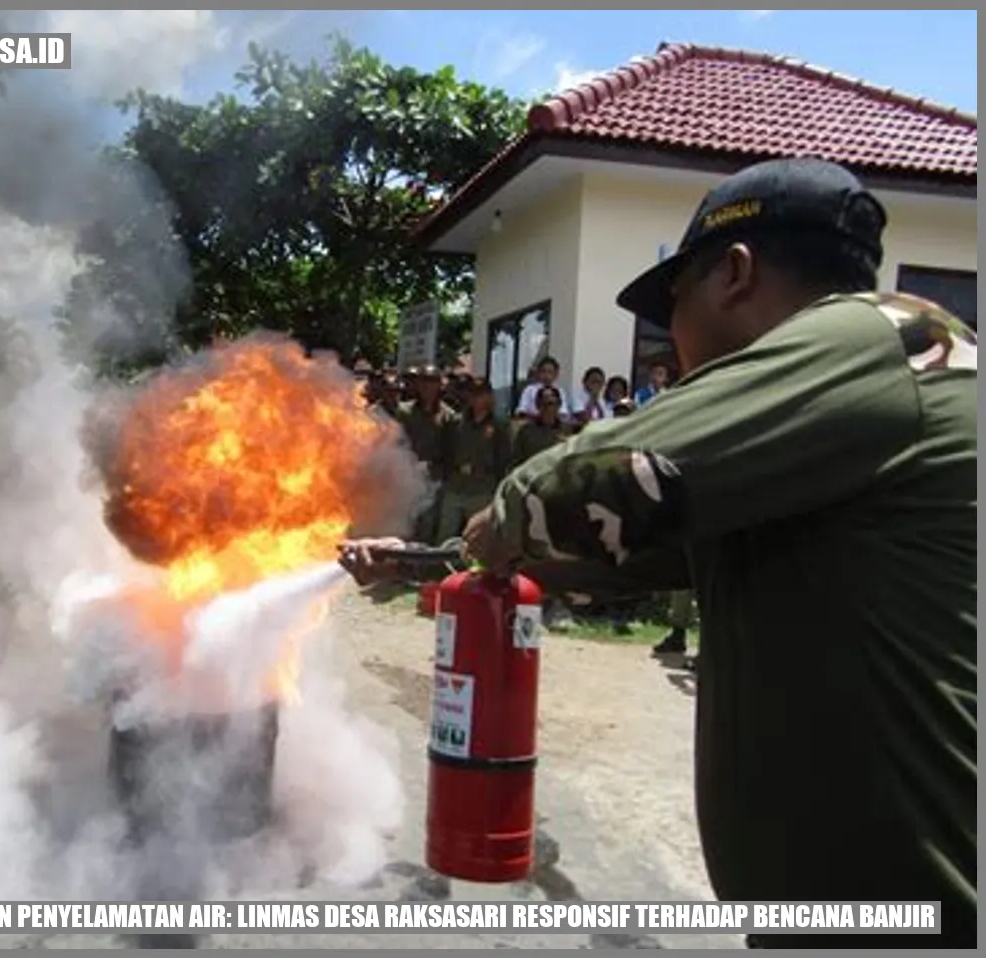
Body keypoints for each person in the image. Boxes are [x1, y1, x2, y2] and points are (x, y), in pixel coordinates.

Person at [342, 158, 977, 948]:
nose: (668, 343)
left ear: (735, 274)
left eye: (671, 307)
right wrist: (418, 561)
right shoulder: (807, 446)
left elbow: (586, 482)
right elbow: (624, 558)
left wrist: (504, 516)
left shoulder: (888, 337)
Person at [436, 379, 508, 543]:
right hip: (456, 486)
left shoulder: (498, 424)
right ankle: (439, 568)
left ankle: (477, 569)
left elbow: (503, 457)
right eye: (473, 394)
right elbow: (446, 451)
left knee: (478, 536)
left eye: (481, 394)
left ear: (489, 396)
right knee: (445, 534)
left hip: (483, 488)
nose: (476, 399)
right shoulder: (455, 422)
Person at [394, 365, 457, 543]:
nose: (427, 387)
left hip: (433, 477)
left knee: (428, 523)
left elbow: (450, 449)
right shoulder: (405, 411)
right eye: (423, 382)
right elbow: (397, 441)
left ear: (439, 385)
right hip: (407, 475)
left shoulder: (448, 416)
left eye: (432, 382)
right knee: (405, 521)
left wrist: (441, 472)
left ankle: (421, 565)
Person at [511, 385, 566, 468]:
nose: (547, 408)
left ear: (559, 404)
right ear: (537, 405)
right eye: (542, 404)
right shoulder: (526, 431)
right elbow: (516, 460)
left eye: (550, 404)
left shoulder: (569, 430)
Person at [514, 355, 568, 421]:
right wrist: (540, 417)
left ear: (556, 374)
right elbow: (520, 412)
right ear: (538, 373)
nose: (546, 375)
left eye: (550, 372)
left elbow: (563, 414)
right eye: (543, 371)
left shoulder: (560, 391)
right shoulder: (529, 390)